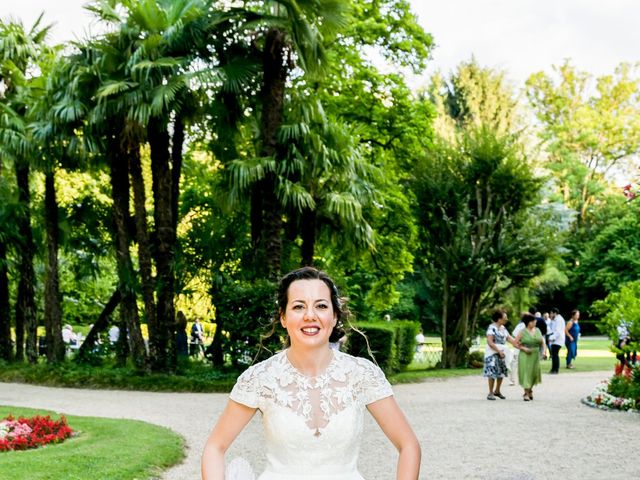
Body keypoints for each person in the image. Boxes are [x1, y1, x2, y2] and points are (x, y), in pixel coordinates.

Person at [201, 267, 421, 479]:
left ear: (335, 317)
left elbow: (409, 445)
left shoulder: (362, 375)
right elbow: (214, 447)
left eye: (321, 306)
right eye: (298, 307)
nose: (310, 315)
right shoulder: (260, 379)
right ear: (283, 318)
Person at [484, 309, 518, 400]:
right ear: (499, 319)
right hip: (492, 353)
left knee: (501, 372)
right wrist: (499, 351)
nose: (506, 319)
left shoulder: (503, 329)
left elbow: (510, 339)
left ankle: (497, 391)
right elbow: (490, 342)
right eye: (505, 318)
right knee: (492, 373)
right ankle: (490, 392)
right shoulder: (492, 328)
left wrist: (520, 345)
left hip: (502, 353)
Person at [515, 313, 547, 401]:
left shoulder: (538, 330)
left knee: (534, 373)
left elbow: (543, 343)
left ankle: (530, 390)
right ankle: (526, 393)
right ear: (529, 322)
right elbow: (515, 343)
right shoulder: (522, 332)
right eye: (533, 321)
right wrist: (523, 348)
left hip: (535, 354)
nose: (535, 322)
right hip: (525, 354)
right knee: (526, 373)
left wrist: (544, 352)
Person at [508, 315, 526, 386]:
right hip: (518, 345)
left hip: (527, 346)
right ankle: (512, 380)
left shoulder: (531, 326)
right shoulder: (521, 325)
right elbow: (514, 334)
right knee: (514, 362)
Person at [548, 308, 565, 374]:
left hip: (558, 340)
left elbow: (558, 331)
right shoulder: (555, 320)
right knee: (554, 354)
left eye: (551, 313)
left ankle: (555, 369)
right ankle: (553, 369)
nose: (550, 315)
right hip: (555, 340)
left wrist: (551, 338)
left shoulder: (559, 320)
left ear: (555, 313)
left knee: (555, 354)